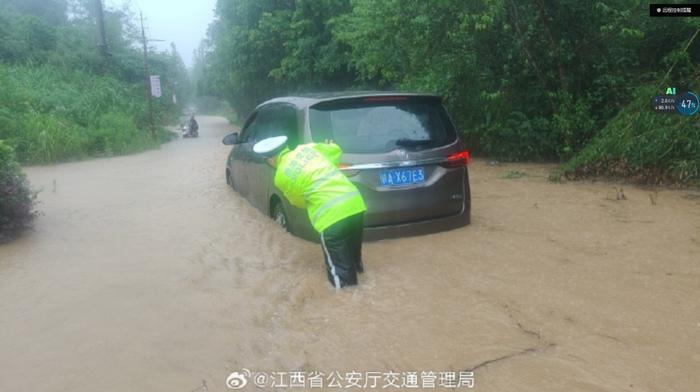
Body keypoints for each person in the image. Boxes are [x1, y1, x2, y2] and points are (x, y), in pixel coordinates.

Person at [260, 137, 367, 289]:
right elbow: (336, 151)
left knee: (340, 274)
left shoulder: (281, 176)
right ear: (285, 147)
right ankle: (363, 286)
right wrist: (329, 145)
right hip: (355, 205)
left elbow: (297, 201)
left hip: (331, 217)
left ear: (270, 159)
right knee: (353, 259)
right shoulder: (307, 148)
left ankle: (349, 305)